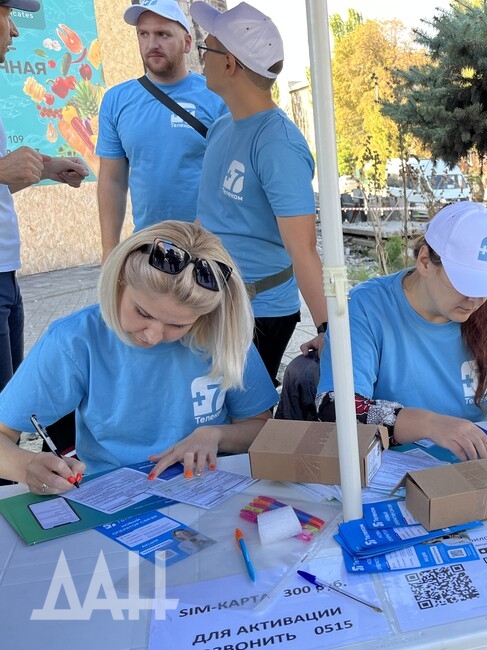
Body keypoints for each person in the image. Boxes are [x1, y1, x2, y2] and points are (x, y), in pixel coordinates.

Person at [0, 221, 279, 495]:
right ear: (120, 282)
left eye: (178, 325)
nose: (153, 335)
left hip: (206, 488)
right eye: (143, 313)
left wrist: (216, 436)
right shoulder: (74, 340)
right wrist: (27, 467)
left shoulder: (223, 336)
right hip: (109, 495)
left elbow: (260, 426)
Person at [310, 201, 487, 460]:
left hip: (479, 460)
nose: (476, 299)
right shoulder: (367, 308)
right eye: (466, 283)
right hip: (393, 467)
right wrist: (429, 424)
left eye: (486, 285)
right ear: (425, 261)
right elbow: (336, 406)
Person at [189, 1, 328, 385]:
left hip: (258, 311)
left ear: (230, 63)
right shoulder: (222, 127)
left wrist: (329, 332)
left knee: (241, 417)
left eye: (207, 48)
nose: (202, 58)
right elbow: (211, 217)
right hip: (211, 297)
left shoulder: (277, 144)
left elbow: (303, 250)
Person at [0, 0, 89, 392]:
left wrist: (45, 167)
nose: (15, 31)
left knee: (9, 413)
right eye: (6, 15)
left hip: (7, 274)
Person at [96, 0, 227, 262]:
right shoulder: (116, 100)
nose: (151, 43)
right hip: (149, 248)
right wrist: (110, 251)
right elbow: (112, 180)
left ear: (187, 43)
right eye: (143, 34)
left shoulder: (216, 97)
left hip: (208, 249)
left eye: (163, 34)